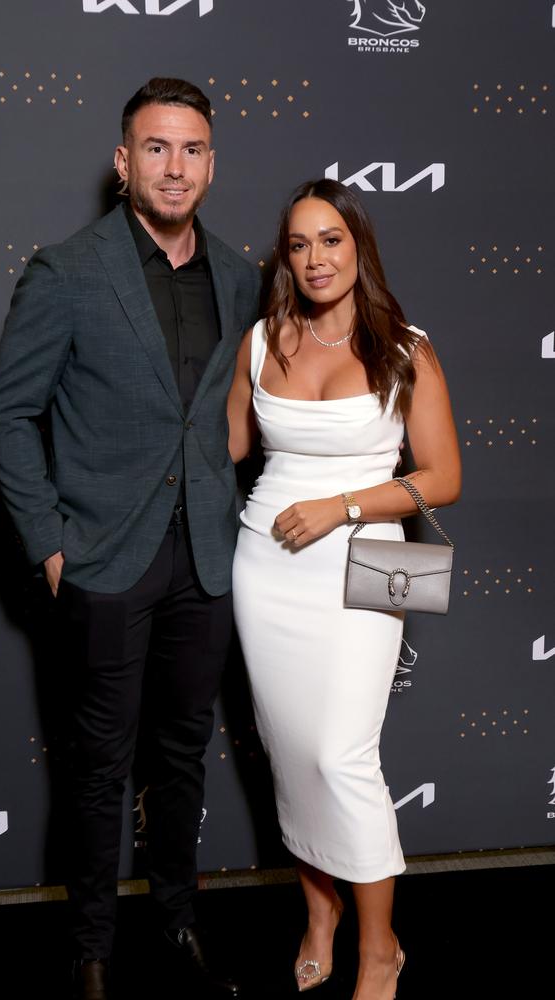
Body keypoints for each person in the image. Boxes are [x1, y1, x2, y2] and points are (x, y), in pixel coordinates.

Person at [0, 77, 260, 1000]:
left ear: (211, 165)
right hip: (103, 561)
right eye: (155, 148)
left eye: (190, 150)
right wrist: (52, 541)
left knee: (182, 758)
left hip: (206, 562)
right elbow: (10, 415)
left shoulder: (236, 274)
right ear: (122, 162)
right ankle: (91, 951)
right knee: (100, 767)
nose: (174, 167)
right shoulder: (69, 270)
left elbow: (230, 417)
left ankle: (179, 924)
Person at [228, 179, 461, 999]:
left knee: (342, 754)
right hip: (266, 563)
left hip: (373, 558)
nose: (316, 258)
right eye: (299, 244)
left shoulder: (405, 346)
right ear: (284, 259)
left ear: (357, 244)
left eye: (330, 239)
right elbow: (216, 448)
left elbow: (445, 478)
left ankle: (379, 948)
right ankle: (319, 916)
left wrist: (342, 506)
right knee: (294, 757)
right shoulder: (260, 342)